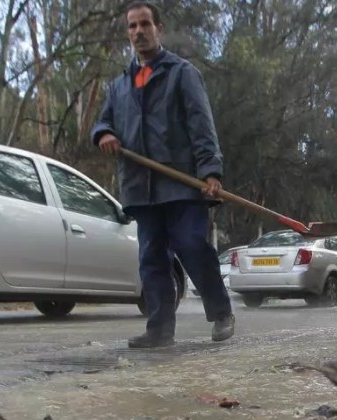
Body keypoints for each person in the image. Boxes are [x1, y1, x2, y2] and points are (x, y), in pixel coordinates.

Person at [91, 1, 234, 347]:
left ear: (159, 29)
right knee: (151, 257)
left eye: (144, 24)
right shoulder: (119, 86)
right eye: (132, 26)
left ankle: (221, 313)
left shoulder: (182, 73)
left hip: (182, 183)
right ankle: (159, 329)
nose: (138, 31)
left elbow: (202, 124)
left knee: (191, 245)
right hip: (141, 186)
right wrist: (104, 134)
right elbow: (103, 121)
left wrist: (210, 170)